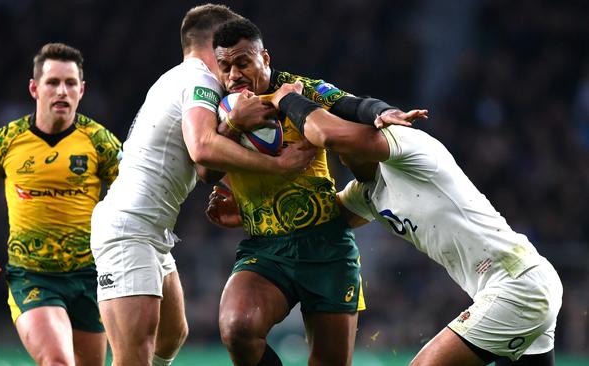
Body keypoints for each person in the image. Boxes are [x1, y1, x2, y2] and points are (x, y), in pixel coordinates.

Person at [209, 81, 564, 366]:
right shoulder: (367, 194)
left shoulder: (406, 146)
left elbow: (328, 135)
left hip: (516, 283)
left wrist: (290, 100)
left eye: (349, 134)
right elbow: (321, 221)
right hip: (514, 286)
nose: (343, 151)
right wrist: (245, 210)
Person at [89, 5, 315, 366]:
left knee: (172, 334)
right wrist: (277, 165)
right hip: (129, 228)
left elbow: (200, 159)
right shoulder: (200, 80)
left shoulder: (174, 78)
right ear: (216, 44)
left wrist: (236, 129)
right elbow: (203, 147)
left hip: (150, 230)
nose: (233, 69)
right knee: (133, 357)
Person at [208, 18, 422, 366]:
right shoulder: (217, 107)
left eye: (242, 62)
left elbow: (349, 104)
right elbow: (205, 166)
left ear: (265, 57)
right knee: (237, 328)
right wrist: (231, 130)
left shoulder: (298, 91)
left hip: (326, 245)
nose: (234, 74)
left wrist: (382, 111)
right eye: (225, 66)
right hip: (265, 246)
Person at [0, 42, 122, 366]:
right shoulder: (3, 141)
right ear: (35, 88)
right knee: (59, 362)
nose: (62, 91)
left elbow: (133, 193)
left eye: (70, 83)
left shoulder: (100, 142)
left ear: (82, 90)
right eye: (53, 82)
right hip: (33, 277)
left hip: (91, 277)